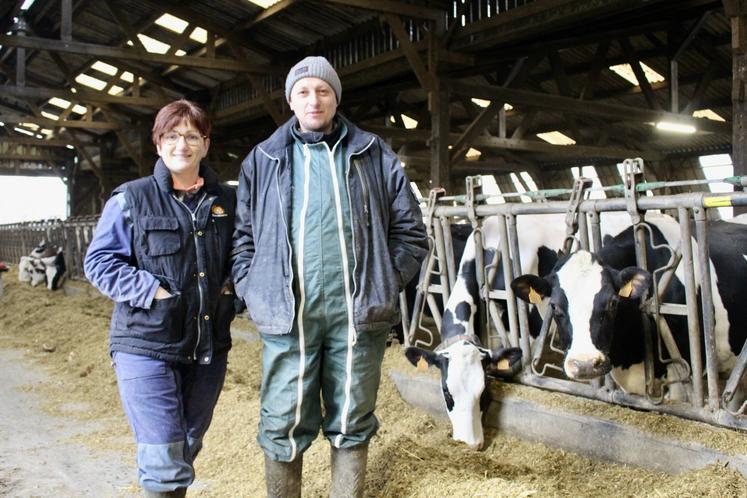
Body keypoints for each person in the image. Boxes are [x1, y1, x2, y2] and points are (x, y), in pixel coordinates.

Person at [232, 56, 428, 497]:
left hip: (357, 313)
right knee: (283, 417)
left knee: (352, 417)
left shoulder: (373, 154)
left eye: (323, 90)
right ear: (290, 100)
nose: (313, 99)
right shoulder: (263, 159)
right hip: (288, 314)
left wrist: (385, 280)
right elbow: (242, 238)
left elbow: (412, 233)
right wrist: (253, 289)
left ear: (336, 97)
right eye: (303, 91)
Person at [84, 99, 236, 498]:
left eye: (190, 136)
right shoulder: (130, 199)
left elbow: (245, 255)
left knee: (186, 447)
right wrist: (154, 291)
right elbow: (98, 262)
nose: (180, 144)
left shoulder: (227, 203)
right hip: (146, 344)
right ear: (158, 143)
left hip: (207, 346)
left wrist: (232, 293)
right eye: (171, 135)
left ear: (205, 143)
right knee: (163, 458)